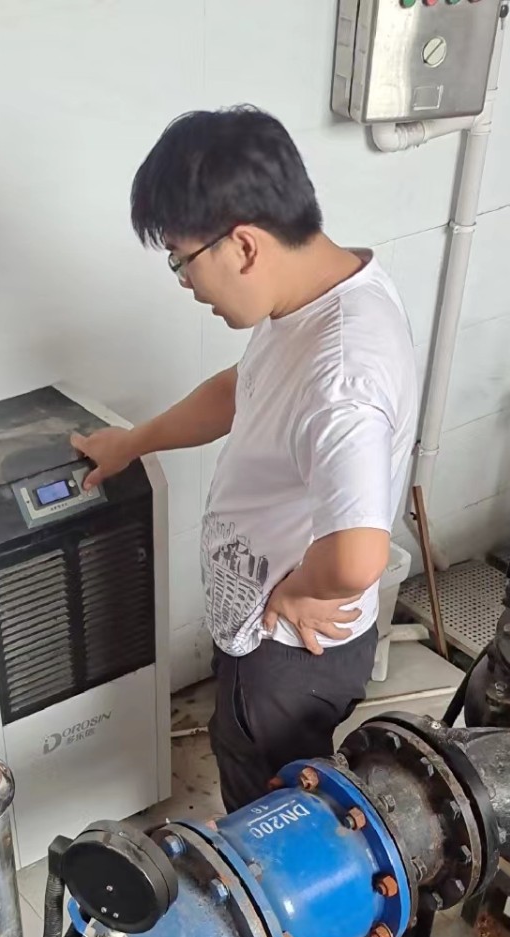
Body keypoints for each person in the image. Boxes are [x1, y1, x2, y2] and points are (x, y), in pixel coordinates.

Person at [72, 107, 419, 814]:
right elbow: (243, 390)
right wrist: (134, 441)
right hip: (263, 638)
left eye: (181, 259)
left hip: (288, 655)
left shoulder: (343, 374)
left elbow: (358, 557)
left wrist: (291, 596)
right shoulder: (316, 298)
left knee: (271, 817)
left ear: (244, 245)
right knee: (252, 765)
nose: (184, 281)